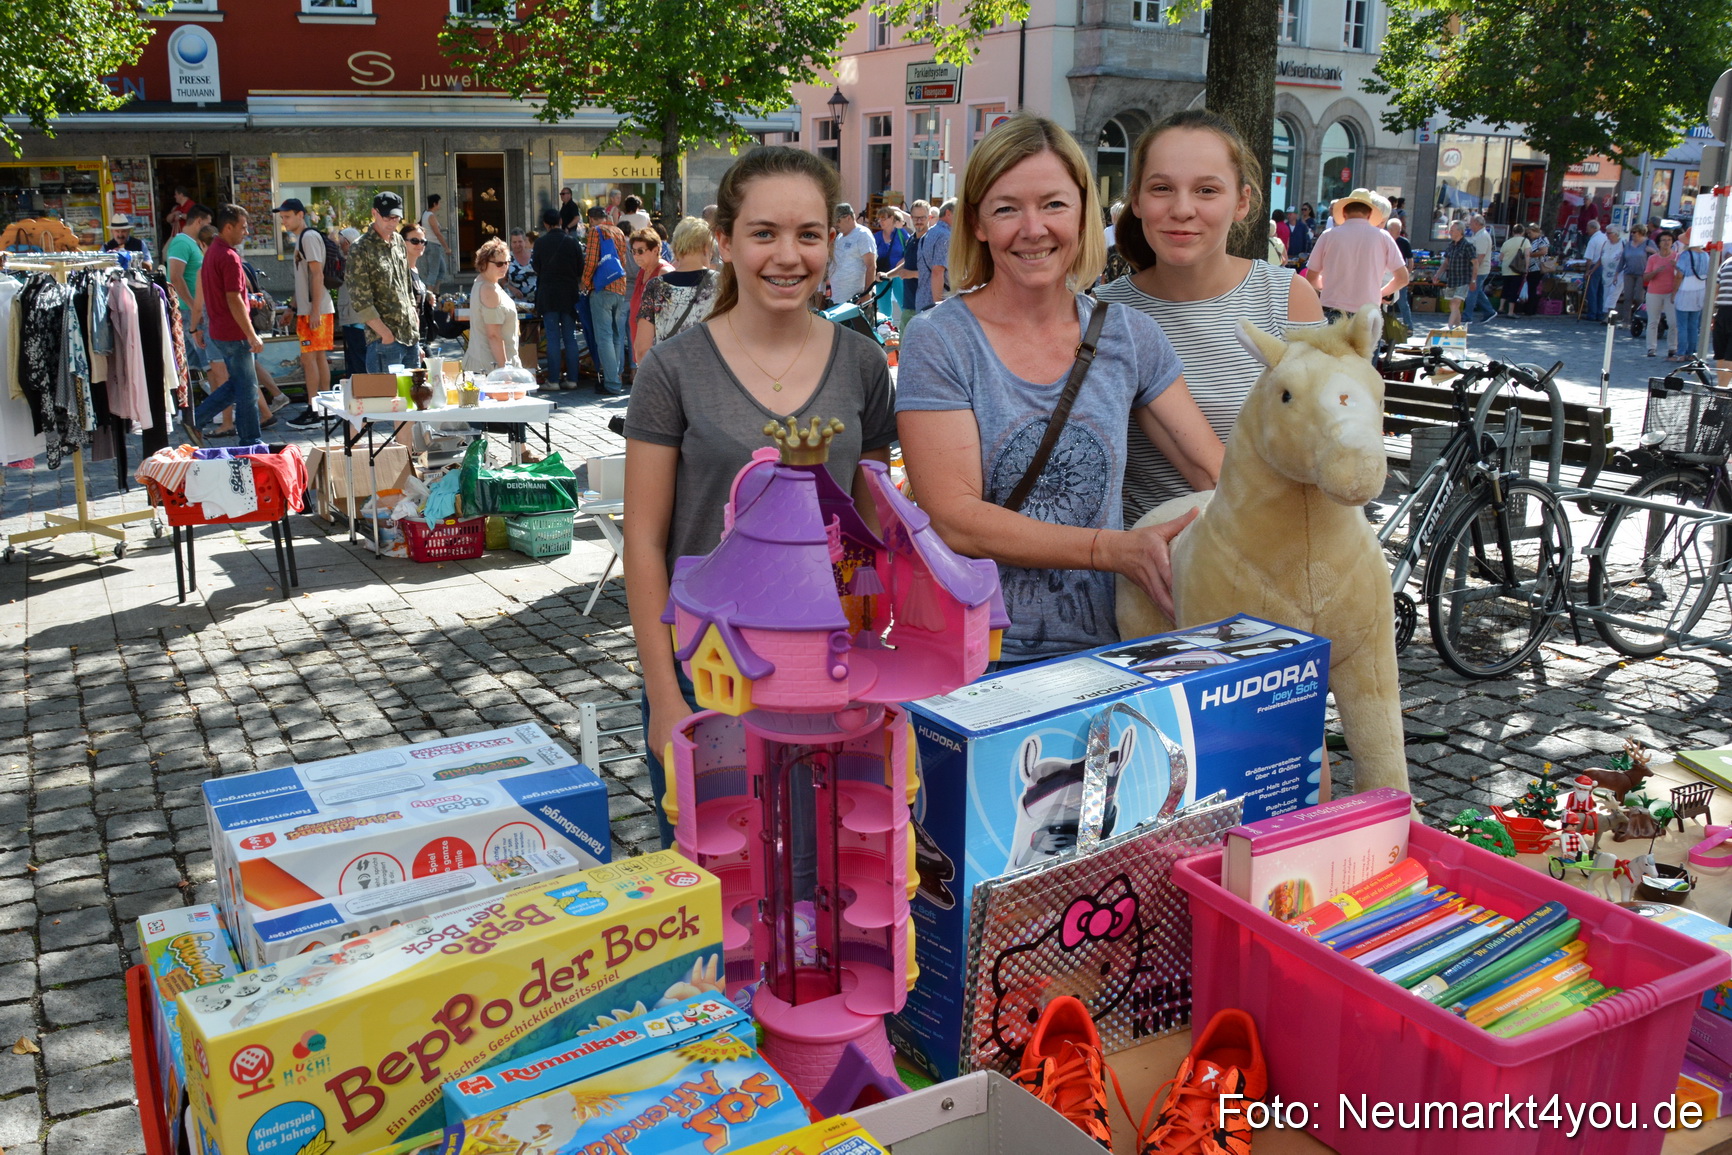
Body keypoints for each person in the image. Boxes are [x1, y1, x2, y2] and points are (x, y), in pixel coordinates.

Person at [624, 145, 897, 847]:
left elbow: (870, 526)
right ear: (724, 239)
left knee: (831, 876)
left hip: (827, 668)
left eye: (808, 234)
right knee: (723, 888)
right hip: (706, 674)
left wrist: (873, 654)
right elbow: (646, 542)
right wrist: (662, 697)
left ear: (832, 241)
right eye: (764, 233)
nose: (788, 255)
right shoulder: (673, 369)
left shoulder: (862, 362)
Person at [896, 111, 1222, 666]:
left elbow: (1215, 475)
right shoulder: (941, 339)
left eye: (1054, 204)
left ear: (1083, 212)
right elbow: (954, 517)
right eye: (1006, 209)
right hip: (980, 656)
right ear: (977, 223)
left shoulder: (1127, 334)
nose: (1033, 228)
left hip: (1112, 652)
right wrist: (1112, 550)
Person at [1096, 108, 1321, 524]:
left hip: (1266, 551)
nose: (1182, 209)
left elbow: (1327, 437)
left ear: (1242, 201)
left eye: (1206, 191)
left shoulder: (1288, 298)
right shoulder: (1102, 313)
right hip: (1144, 569)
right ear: (1138, 200)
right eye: (1162, 188)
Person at [190, 205, 265, 444]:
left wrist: (249, 300)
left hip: (220, 330)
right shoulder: (229, 256)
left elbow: (229, 296)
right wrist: (251, 334)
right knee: (248, 389)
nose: (246, 232)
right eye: (243, 227)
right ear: (228, 227)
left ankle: (197, 419)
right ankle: (249, 439)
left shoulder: (213, 252)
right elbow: (232, 299)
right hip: (234, 333)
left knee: (241, 385)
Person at [1302, 188, 1407, 325]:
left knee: (1333, 347)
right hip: (1368, 310)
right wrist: (1379, 293)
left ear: (1344, 213)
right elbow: (1402, 278)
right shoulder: (1383, 237)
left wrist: (1327, 286)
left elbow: (1311, 277)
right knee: (1366, 347)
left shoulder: (1328, 235)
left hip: (1332, 308)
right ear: (1369, 214)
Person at [346, 191, 420, 371]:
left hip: (410, 336)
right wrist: (386, 335)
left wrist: (415, 320)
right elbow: (361, 301)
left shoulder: (399, 242)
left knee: (415, 397)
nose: (392, 222)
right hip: (384, 341)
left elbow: (406, 284)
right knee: (387, 398)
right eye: (387, 217)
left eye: (396, 218)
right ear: (374, 213)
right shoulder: (360, 248)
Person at [273, 197, 334, 402]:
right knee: (316, 358)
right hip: (311, 307)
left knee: (310, 359)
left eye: (288, 217)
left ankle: (315, 406)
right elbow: (305, 279)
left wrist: (314, 310)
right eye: (282, 217)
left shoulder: (308, 237)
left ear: (301, 215)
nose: (285, 221)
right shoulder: (302, 238)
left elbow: (318, 275)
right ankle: (321, 405)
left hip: (316, 309)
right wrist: (291, 307)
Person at [635, 216, 718, 360]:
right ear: (706, 248)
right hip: (709, 374)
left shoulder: (656, 287)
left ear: (677, 247)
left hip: (668, 374)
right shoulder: (722, 284)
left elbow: (642, 348)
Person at [582, 204, 631, 396]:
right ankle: (616, 376)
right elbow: (623, 261)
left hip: (602, 289)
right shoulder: (618, 231)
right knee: (617, 335)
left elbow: (592, 260)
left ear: (592, 219)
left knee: (604, 336)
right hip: (620, 287)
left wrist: (585, 282)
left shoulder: (596, 231)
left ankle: (611, 383)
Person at [533, 208, 584, 389]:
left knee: (553, 337)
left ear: (546, 224)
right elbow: (580, 268)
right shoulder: (572, 242)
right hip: (569, 293)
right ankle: (572, 379)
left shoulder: (540, 243)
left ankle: (553, 380)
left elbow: (536, 267)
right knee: (570, 337)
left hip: (548, 293)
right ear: (561, 221)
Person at [165, 204, 214, 389]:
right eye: (207, 224)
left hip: (193, 309)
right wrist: (195, 306)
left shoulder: (191, 243)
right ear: (199, 221)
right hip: (189, 311)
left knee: (201, 363)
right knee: (209, 362)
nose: (209, 229)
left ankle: (210, 406)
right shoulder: (181, 242)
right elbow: (176, 277)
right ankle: (218, 410)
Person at [463, 237, 521, 373]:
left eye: (507, 262)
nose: (505, 267)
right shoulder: (489, 289)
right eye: (499, 264)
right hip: (492, 368)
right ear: (484, 263)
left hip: (488, 365)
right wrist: (505, 370)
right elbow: (493, 335)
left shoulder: (487, 282)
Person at [628, 228, 675, 363]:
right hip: (641, 347)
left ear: (655, 250)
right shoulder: (641, 273)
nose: (636, 256)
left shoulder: (664, 272)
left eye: (640, 251)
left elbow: (671, 315)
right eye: (633, 251)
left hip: (657, 350)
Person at [827, 203, 876, 308]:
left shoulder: (863, 234)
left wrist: (867, 294)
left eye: (838, 221)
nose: (836, 224)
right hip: (837, 298)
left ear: (848, 218)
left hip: (855, 299)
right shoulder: (840, 237)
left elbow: (871, 266)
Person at [1672, 231, 1710, 362]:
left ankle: (1681, 352)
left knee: (1682, 324)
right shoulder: (1706, 255)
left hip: (1685, 290)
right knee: (1693, 325)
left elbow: (1679, 276)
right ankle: (1691, 352)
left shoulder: (1685, 255)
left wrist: (1673, 293)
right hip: (1700, 291)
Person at [1644, 230, 1682, 358]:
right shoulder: (1653, 258)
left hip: (1671, 293)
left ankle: (1672, 347)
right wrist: (1656, 271)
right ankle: (1651, 348)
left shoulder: (1677, 257)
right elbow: (1645, 278)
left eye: (1669, 240)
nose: (1666, 243)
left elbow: (1683, 275)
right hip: (1654, 292)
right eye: (1664, 240)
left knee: (1673, 322)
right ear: (1659, 243)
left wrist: (1677, 267)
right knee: (1653, 321)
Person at [894, 199, 930, 330]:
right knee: (904, 347)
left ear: (929, 218)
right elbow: (906, 264)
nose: (919, 221)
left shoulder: (931, 241)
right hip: (908, 304)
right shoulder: (911, 239)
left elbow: (937, 273)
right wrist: (887, 275)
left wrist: (912, 274)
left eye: (922, 218)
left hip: (925, 307)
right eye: (916, 218)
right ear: (911, 218)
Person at [915, 198, 954, 313]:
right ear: (948, 213)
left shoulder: (927, 234)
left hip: (922, 301)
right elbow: (937, 272)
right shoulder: (945, 236)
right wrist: (938, 306)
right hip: (937, 305)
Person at [873, 206, 910, 324]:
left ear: (892, 218)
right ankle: (886, 331)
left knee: (904, 304)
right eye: (879, 219)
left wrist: (903, 261)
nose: (881, 221)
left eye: (884, 218)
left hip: (899, 274)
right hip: (882, 275)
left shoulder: (901, 233)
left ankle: (908, 329)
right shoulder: (877, 237)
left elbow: (911, 251)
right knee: (883, 309)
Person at [1439, 221, 1476, 328]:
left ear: (1460, 231)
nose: (1449, 232)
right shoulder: (1451, 245)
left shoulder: (1467, 245)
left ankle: (1449, 326)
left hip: (1464, 279)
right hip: (1452, 279)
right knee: (1452, 304)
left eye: (1452, 230)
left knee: (1455, 302)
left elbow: (1475, 264)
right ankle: (1458, 327)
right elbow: (1446, 263)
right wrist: (1437, 275)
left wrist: (1473, 280)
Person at [1463, 213, 1498, 324]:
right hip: (1479, 269)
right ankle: (1489, 311)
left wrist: (1473, 270)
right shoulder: (1479, 235)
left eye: (1471, 222)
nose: (1469, 225)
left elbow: (1480, 256)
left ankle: (1467, 316)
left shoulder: (1482, 236)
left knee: (1472, 292)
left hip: (1480, 270)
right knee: (1477, 292)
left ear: (1477, 223)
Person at [1386, 216, 1415, 331]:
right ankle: (1386, 327)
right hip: (1386, 276)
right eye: (1396, 229)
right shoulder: (1384, 240)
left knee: (1403, 302)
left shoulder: (1404, 242)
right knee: (1384, 302)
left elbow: (1410, 260)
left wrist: (1406, 273)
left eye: (1400, 229)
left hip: (1399, 275)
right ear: (1389, 230)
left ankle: (1409, 326)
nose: (1399, 232)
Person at [419, 193, 450, 291]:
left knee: (442, 270)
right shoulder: (430, 216)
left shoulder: (425, 214)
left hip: (431, 245)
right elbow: (437, 233)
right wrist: (446, 247)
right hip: (433, 246)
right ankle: (429, 295)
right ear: (435, 203)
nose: (440, 205)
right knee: (433, 272)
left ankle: (436, 292)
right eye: (439, 203)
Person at [1498, 226, 1531, 316]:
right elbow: (1527, 255)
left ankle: (1500, 308)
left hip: (1506, 268)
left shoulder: (1507, 242)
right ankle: (1510, 312)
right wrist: (1527, 268)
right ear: (1523, 232)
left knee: (1505, 288)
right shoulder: (1525, 241)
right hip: (1517, 269)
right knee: (1514, 290)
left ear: (1513, 232)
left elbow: (1501, 257)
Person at [1519, 223, 1550, 317]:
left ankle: (1530, 309)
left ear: (1536, 231)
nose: (1529, 235)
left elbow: (1544, 251)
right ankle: (1528, 308)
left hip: (1537, 267)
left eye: (1530, 233)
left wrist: (1530, 255)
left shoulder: (1542, 239)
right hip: (1532, 267)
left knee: (1532, 288)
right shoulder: (1534, 240)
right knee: (1531, 288)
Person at [1581, 219, 1608, 322]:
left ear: (1593, 228)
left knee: (1592, 291)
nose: (1587, 231)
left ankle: (1592, 314)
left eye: (1588, 229)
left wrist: (1587, 271)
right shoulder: (1605, 237)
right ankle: (1599, 313)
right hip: (1604, 266)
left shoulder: (1593, 240)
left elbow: (1589, 259)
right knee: (1600, 291)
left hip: (1594, 267)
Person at [1597, 224, 1625, 319]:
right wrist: (1591, 270)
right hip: (1606, 274)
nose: (1606, 235)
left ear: (1616, 233)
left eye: (1609, 233)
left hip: (1619, 274)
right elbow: (1600, 258)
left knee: (1613, 295)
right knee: (1606, 294)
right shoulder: (1605, 243)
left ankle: (1609, 316)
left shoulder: (1623, 243)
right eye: (1606, 232)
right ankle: (1606, 315)